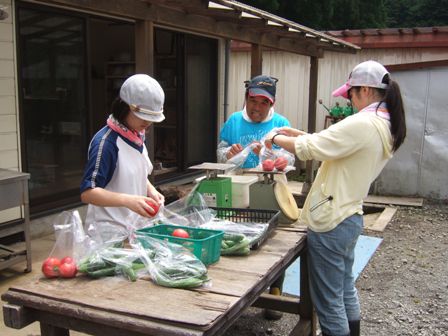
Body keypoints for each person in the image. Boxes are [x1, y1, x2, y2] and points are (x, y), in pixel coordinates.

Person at [265, 60, 406, 336]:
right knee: (344, 290)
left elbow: (313, 149)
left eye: (350, 94)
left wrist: (275, 137)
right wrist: (295, 134)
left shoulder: (363, 123)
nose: (350, 100)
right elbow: (333, 142)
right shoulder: (384, 124)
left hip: (331, 222)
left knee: (329, 304)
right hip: (350, 217)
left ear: (364, 89)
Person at [80, 74, 166, 242]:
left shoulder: (137, 135)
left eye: (152, 118)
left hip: (133, 230)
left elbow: (136, 171)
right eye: (144, 116)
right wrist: (129, 200)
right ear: (124, 107)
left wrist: (151, 190)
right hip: (107, 237)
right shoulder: (106, 144)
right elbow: (88, 192)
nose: (148, 123)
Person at [217, 75, 291, 168]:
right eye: (253, 101)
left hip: (271, 180)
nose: (256, 108)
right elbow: (220, 152)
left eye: (263, 103)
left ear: (272, 104)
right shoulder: (234, 120)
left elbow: (290, 159)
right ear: (246, 98)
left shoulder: (281, 125)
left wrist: (269, 155)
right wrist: (228, 154)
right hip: (238, 179)